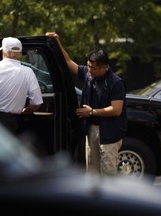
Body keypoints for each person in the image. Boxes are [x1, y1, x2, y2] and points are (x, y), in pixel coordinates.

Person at [45, 32, 127, 176]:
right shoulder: (89, 75)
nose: (89, 70)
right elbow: (68, 62)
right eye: (88, 66)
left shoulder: (116, 82)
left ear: (105, 67)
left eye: (93, 67)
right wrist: (58, 41)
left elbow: (116, 110)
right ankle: (95, 198)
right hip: (92, 129)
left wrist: (92, 112)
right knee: (92, 171)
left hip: (109, 132)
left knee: (108, 172)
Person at [0, 37, 43, 134]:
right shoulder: (28, 72)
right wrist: (25, 111)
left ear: (4, 51)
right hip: (10, 124)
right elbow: (36, 103)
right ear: (19, 54)